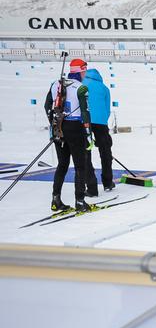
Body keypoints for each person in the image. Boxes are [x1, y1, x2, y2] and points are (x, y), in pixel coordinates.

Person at [44, 58, 94, 212]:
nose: (85, 74)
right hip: (75, 128)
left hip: (59, 127)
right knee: (80, 166)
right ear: (81, 71)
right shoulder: (81, 88)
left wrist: (54, 122)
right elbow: (85, 113)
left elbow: (47, 105)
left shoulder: (56, 84)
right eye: (85, 71)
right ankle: (80, 202)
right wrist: (89, 134)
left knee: (62, 165)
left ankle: (55, 200)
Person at [83, 68, 115, 195]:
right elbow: (107, 109)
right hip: (101, 122)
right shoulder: (104, 88)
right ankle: (108, 182)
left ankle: (91, 187)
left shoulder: (82, 85)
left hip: (85, 121)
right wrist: (102, 122)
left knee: (86, 153)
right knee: (105, 152)